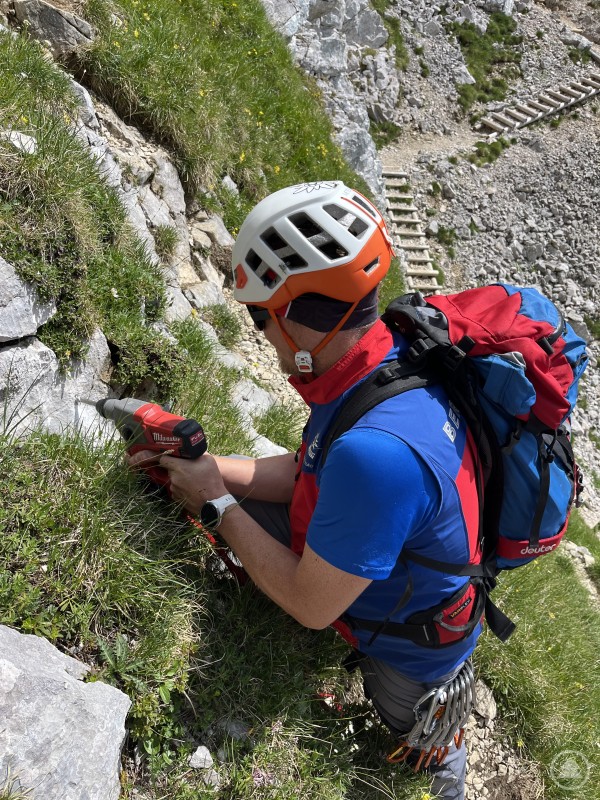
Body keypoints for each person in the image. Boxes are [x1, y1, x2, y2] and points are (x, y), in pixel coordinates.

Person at [129, 181, 482, 799]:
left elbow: (312, 608)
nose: (260, 331)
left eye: (259, 315)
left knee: (427, 774)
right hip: (399, 567)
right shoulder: (376, 360)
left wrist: (215, 503)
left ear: (293, 315)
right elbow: (305, 472)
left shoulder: (378, 455)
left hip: (415, 654)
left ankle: (442, 764)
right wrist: (205, 470)